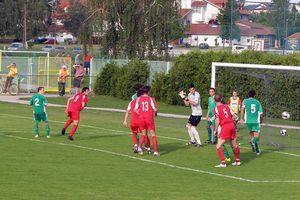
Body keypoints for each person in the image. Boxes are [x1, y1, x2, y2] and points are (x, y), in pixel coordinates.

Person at [213, 94, 241, 167]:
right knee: (234, 144)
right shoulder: (227, 106)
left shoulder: (216, 109)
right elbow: (235, 116)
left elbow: (218, 121)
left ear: (214, 100)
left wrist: (215, 130)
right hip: (232, 125)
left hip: (225, 127)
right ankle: (237, 161)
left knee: (218, 145)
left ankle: (223, 163)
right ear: (221, 99)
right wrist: (231, 121)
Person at [123, 89, 151, 154]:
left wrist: (125, 120)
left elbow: (127, 111)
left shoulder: (131, 102)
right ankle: (147, 148)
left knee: (134, 133)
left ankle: (136, 146)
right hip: (141, 121)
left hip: (133, 121)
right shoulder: (143, 101)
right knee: (145, 134)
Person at [134, 86, 159, 156]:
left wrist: (141, 114)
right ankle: (156, 151)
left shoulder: (138, 99)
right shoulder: (150, 99)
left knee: (143, 133)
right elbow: (155, 109)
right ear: (148, 91)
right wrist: (154, 112)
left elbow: (135, 109)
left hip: (141, 118)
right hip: (149, 118)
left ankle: (139, 148)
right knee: (153, 134)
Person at [240, 90, 263, 155]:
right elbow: (261, 113)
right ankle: (253, 142)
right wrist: (261, 120)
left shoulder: (245, 101)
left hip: (248, 121)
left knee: (253, 136)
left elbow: (242, 109)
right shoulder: (257, 102)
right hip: (256, 121)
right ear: (254, 95)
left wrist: (241, 118)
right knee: (257, 137)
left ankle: (257, 151)